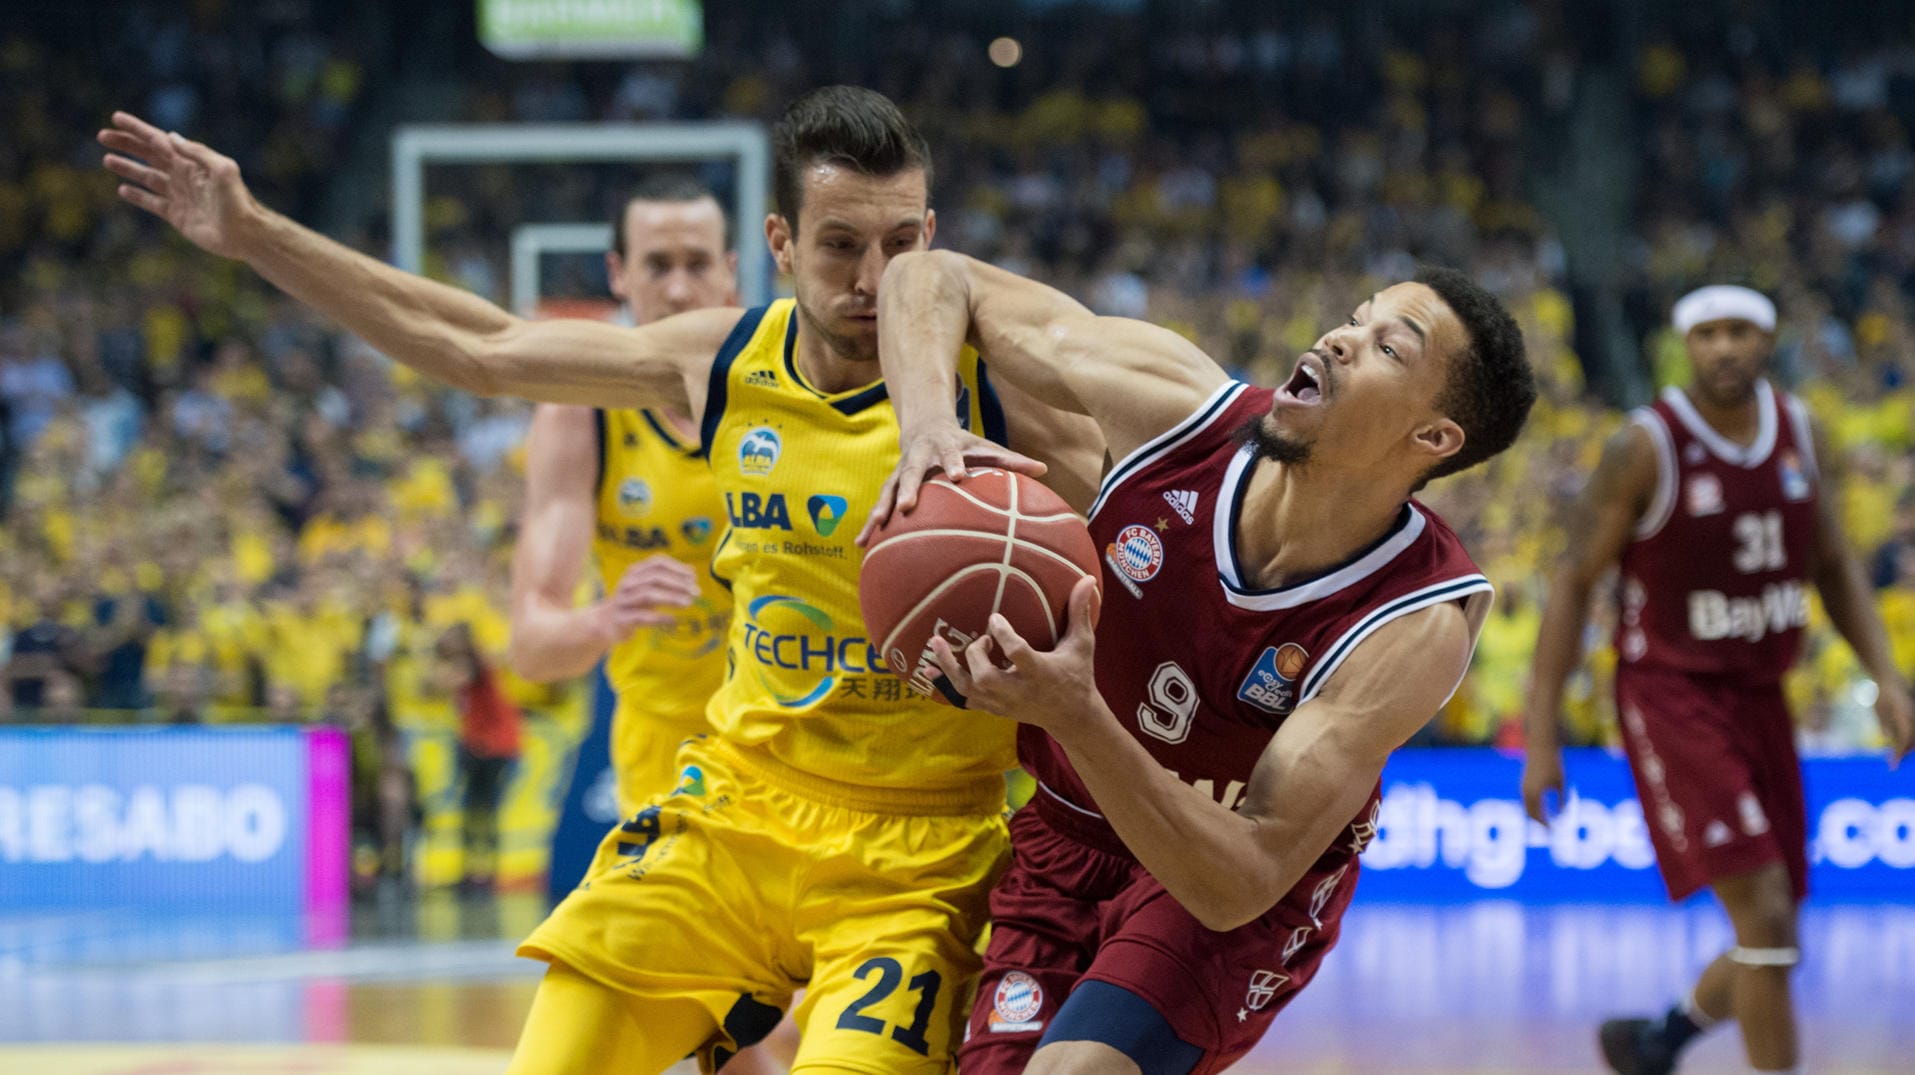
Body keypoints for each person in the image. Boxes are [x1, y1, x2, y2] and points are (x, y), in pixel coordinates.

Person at [101, 85, 1099, 1074]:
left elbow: (1175, 475)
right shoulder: (721, 360)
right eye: (839, 245)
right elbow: (482, 348)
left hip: (922, 853)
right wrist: (258, 234)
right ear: (781, 244)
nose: (872, 280)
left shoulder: (1001, 390)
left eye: (897, 246)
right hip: (731, 812)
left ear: (933, 240)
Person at [861, 251, 1535, 1074]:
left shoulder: (1413, 622)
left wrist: (1074, 712)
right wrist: (928, 424)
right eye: (1355, 317)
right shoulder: (1176, 410)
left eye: (1389, 347)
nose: (1341, 338)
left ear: (1431, 436)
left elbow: (1238, 880)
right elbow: (929, 276)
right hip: (1066, 835)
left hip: (1222, 885)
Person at [1519, 284, 1914, 1075]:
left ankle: (1659, 1040)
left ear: (1765, 340)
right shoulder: (1644, 444)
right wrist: (1540, 735)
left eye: (1739, 332)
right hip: (1670, 692)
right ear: (1683, 345)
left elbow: (1832, 563)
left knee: (1778, 936)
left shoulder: (1800, 428)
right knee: (1765, 921)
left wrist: (1887, 682)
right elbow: (1570, 583)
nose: (1724, 347)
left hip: (1761, 691)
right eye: (1707, 334)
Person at [435, 621, 523, 895]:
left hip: (494, 746)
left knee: (485, 809)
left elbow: (445, 682)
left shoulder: (477, 665)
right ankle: (472, 870)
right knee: (474, 809)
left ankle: (487, 872)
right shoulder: (471, 666)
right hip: (478, 744)